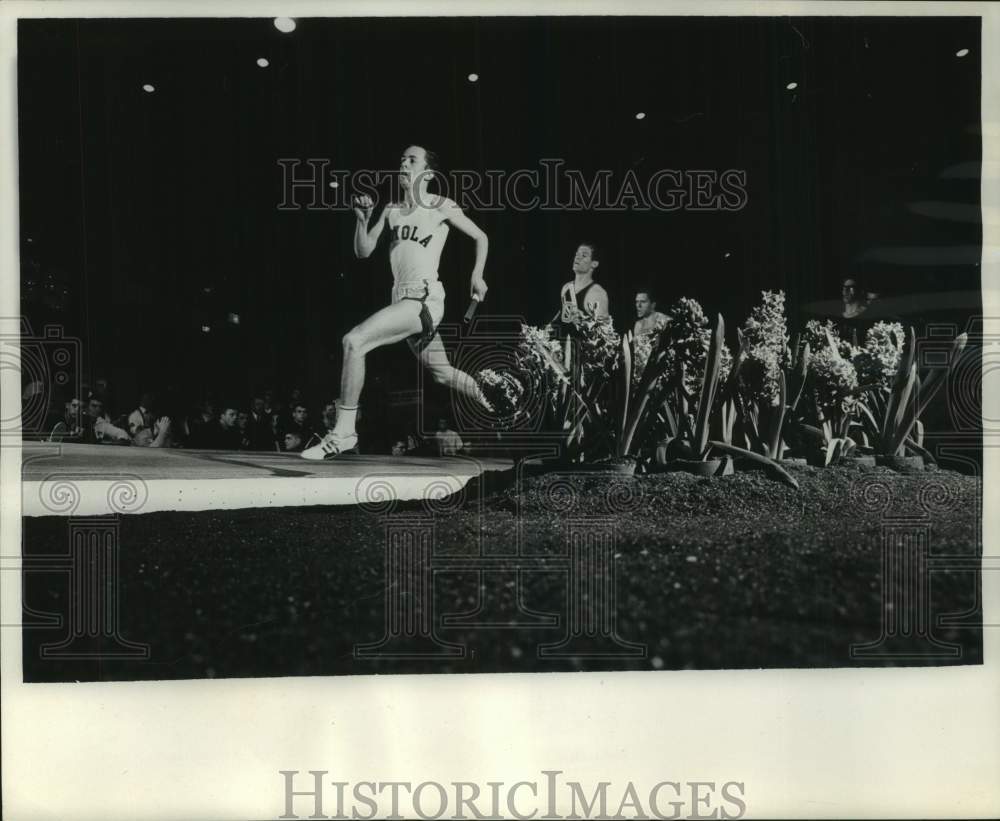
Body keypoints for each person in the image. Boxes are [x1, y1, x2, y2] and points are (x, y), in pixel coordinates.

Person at [303, 144, 492, 460]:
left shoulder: (439, 205)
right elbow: (363, 251)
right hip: (403, 299)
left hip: (423, 299)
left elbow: (481, 237)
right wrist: (362, 220)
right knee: (443, 373)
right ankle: (491, 397)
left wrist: (477, 275)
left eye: (412, 160)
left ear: (427, 173)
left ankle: (344, 432)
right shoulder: (390, 210)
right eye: (402, 158)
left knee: (354, 341)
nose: (403, 163)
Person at [556, 242, 610, 326]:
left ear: (594, 264)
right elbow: (563, 320)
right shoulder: (566, 288)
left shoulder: (598, 293)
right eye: (577, 254)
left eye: (584, 256)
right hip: (564, 339)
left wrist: (583, 321)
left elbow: (605, 330)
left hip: (582, 339)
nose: (577, 257)